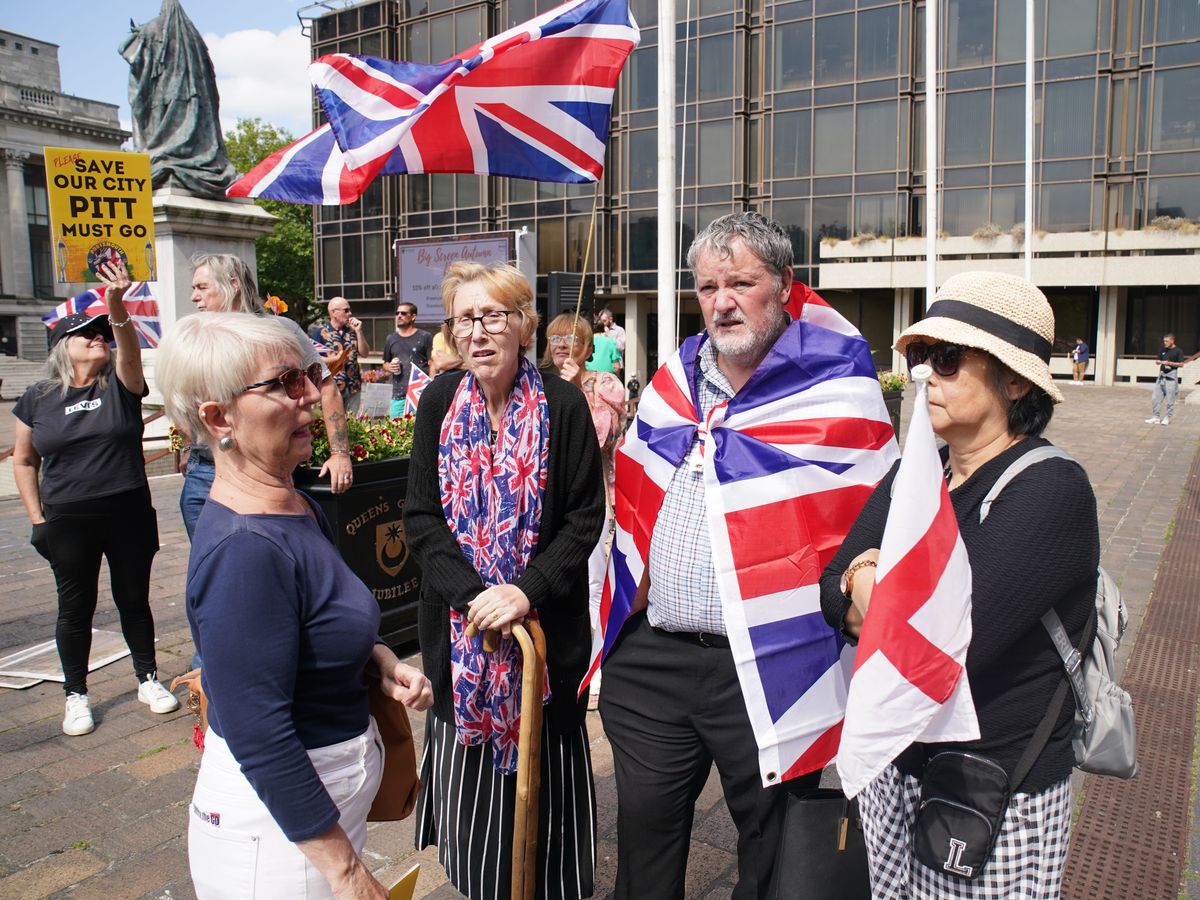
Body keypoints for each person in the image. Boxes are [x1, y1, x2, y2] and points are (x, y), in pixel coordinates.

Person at [597, 212, 898, 899]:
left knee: (771, 852)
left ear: (785, 286)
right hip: (654, 659)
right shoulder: (672, 381)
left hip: (768, 661)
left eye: (741, 282)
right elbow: (634, 501)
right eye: (707, 287)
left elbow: (878, 517)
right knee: (642, 847)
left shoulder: (838, 386)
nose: (722, 301)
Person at [821, 271, 1097, 898]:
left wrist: (865, 585)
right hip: (900, 764)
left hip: (991, 787)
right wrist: (867, 583)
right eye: (920, 357)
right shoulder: (920, 474)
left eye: (946, 360)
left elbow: (949, 642)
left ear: (1015, 378)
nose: (924, 376)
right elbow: (828, 585)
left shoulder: (1051, 490)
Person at [156, 312, 433, 898]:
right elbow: (258, 730)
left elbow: (317, 623)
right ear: (217, 417)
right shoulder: (246, 551)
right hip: (279, 843)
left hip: (317, 825)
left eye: (307, 373)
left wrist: (380, 662)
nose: (311, 392)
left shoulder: (294, 506)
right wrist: (349, 873)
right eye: (283, 383)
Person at [404, 262, 605, 899]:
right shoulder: (438, 401)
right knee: (475, 825)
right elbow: (420, 517)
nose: (480, 332)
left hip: (543, 640)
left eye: (495, 316)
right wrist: (473, 597)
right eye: (466, 318)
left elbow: (583, 519)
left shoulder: (565, 405)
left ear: (523, 326)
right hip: (461, 646)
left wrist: (525, 591)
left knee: (545, 818)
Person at [12, 260, 178, 736]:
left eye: (101, 332)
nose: (98, 338)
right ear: (63, 346)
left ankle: (147, 677)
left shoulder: (121, 387)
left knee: (133, 598)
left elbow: (128, 349)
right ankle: (75, 694)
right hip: (68, 518)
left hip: (127, 512)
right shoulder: (38, 397)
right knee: (75, 607)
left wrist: (115, 306)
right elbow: (24, 461)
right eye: (87, 334)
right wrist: (37, 520)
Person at [183, 254, 355, 547]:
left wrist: (340, 453)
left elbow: (325, 387)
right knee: (217, 571)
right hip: (206, 473)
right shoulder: (200, 338)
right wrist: (191, 447)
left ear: (233, 285)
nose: (193, 296)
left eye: (201, 287)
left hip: (270, 474)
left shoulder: (280, 330)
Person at [541, 312, 626, 706]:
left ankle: (592, 674)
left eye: (571, 338)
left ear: (589, 348)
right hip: (544, 504)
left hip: (591, 502)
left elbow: (600, 439)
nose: (562, 345)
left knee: (592, 587)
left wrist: (576, 392)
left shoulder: (604, 384)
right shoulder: (536, 384)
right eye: (555, 338)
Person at [311, 297, 371, 413]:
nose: (350, 313)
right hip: (331, 387)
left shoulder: (352, 330)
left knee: (352, 424)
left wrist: (359, 331)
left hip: (353, 387)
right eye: (346, 310)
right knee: (334, 421)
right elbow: (315, 359)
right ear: (334, 312)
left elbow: (365, 353)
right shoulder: (320, 332)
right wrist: (335, 359)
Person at [382, 301, 433, 417]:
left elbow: (432, 363)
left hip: (420, 394)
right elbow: (385, 363)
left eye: (403, 313)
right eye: (397, 313)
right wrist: (389, 367)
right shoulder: (391, 338)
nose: (399, 316)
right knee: (395, 431)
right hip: (398, 395)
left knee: (418, 432)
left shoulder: (425, 336)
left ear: (413, 317)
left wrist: (431, 388)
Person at [1146, 332, 1186, 425]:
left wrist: (1169, 363)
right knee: (1155, 398)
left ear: (1172, 340)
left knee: (1170, 399)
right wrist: (1158, 362)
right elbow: (1158, 360)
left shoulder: (1178, 351)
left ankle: (1167, 417)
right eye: (1164, 341)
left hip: (1171, 378)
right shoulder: (1163, 349)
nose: (1165, 343)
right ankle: (1156, 417)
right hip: (1161, 377)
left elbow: (1181, 364)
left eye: (1167, 341)